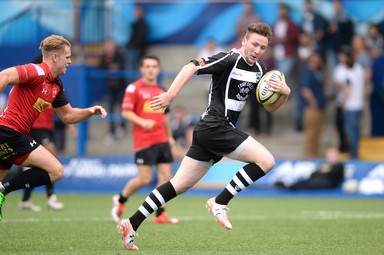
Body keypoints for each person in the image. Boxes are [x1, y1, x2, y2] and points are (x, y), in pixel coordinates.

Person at [117, 22, 291, 250]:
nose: (257, 50)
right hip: (215, 126)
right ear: (244, 41)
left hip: (212, 132)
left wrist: (285, 93)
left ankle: (131, 223)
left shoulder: (259, 70)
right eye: (255, 44)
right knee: (266, 161)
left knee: (177, 185)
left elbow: (269, 108)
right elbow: (191, 67)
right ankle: (220, 201)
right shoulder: (229, 59)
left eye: (263, 47)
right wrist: (170, 94)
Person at [0, 34, 107, 221]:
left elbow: (68, 115)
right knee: (56, 170)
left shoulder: (56, 85)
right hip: (8, 132)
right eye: (67, 57)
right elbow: (3, 76)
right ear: (55, 57)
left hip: (0, 134)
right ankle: (1, 190)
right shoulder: (36, 71)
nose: (71, 61)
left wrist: (90, 111)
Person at [111, 55, 179, 225]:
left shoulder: (162, 91)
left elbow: (166, 116)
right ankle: (120, 199)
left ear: (158, 69)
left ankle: (160, 214)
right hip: (144, 140)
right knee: (145, 179)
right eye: (147, 66)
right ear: (141, 69)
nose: (151, 69)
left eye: (154, 66)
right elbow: (125, 112)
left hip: (162, 138)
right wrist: (143, 122)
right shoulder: (134, 89)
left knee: (166, 176)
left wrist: (170, 137)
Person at [18, 107, 78, 211]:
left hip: (48, 129)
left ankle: (25, 199)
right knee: (51, 159)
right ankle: (51, 197)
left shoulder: (53, 94)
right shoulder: (36, 92)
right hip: (35, 128)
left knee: (38, 166)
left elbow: (63, 111)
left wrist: (71, 126)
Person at [332, 46, 366, 159]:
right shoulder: (359, 68)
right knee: (355, 130)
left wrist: (343, 104)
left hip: (350, 106)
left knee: (351, 131)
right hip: (359, 104)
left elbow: (347, 89)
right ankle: (354, 151)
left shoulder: (346, 71)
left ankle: (354, 154)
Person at [276, 146, 344, 190]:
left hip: (328, 184)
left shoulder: (339, 166)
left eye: (333, 154)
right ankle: (288, 185)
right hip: (317, 181)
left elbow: (336, 172)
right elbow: (314, 174)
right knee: (305, 182)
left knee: (307, 184)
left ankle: (289, 186)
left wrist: (328, 168)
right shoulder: (324, 165)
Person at [98, 38, 126, 143]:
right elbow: (100, 68)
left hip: (120, 87)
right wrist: (109, 68)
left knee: (122, 106)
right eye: (107, 46)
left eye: (110, 46)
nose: (108, 48)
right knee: (110, 109)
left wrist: (116, 68)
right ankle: (111, 131)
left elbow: (123, 67)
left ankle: (122, 127)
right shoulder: (103, 57)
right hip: (109, 88)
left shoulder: (120, 55)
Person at [299, 52, 326, 158]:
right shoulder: (308, 72)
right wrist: (313, 101)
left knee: (317, 132)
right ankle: (309, 154)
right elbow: (305, 89)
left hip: (319, 107)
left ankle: (315, 152)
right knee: (311, 132)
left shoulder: (317, 72)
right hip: (311, 107)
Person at [125, 5, 148, 83]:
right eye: (135, 11)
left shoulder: (142, 24)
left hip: (136, 50)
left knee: (134, 69)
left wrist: (133, 46)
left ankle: (135, 86)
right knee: (131, 69)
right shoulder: (135, 24)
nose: (136, 13)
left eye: (138, 11)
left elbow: (139, 38)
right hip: (134, 49)